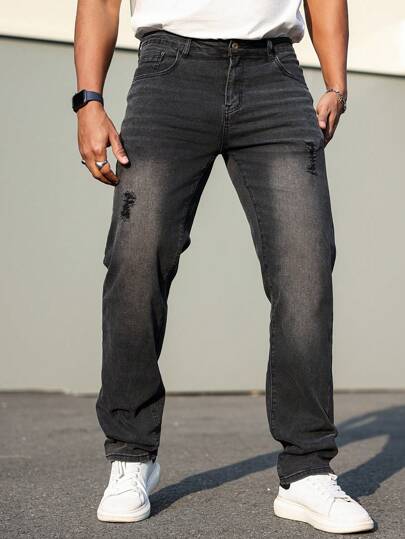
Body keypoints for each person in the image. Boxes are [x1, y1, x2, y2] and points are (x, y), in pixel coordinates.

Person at [73, 0, 374, 533]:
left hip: (275, 77)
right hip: (168, 74)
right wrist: (88, 101)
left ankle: (307, 472)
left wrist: (337, 84)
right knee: (135, 261)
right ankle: (131, 455)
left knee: (305, 268)